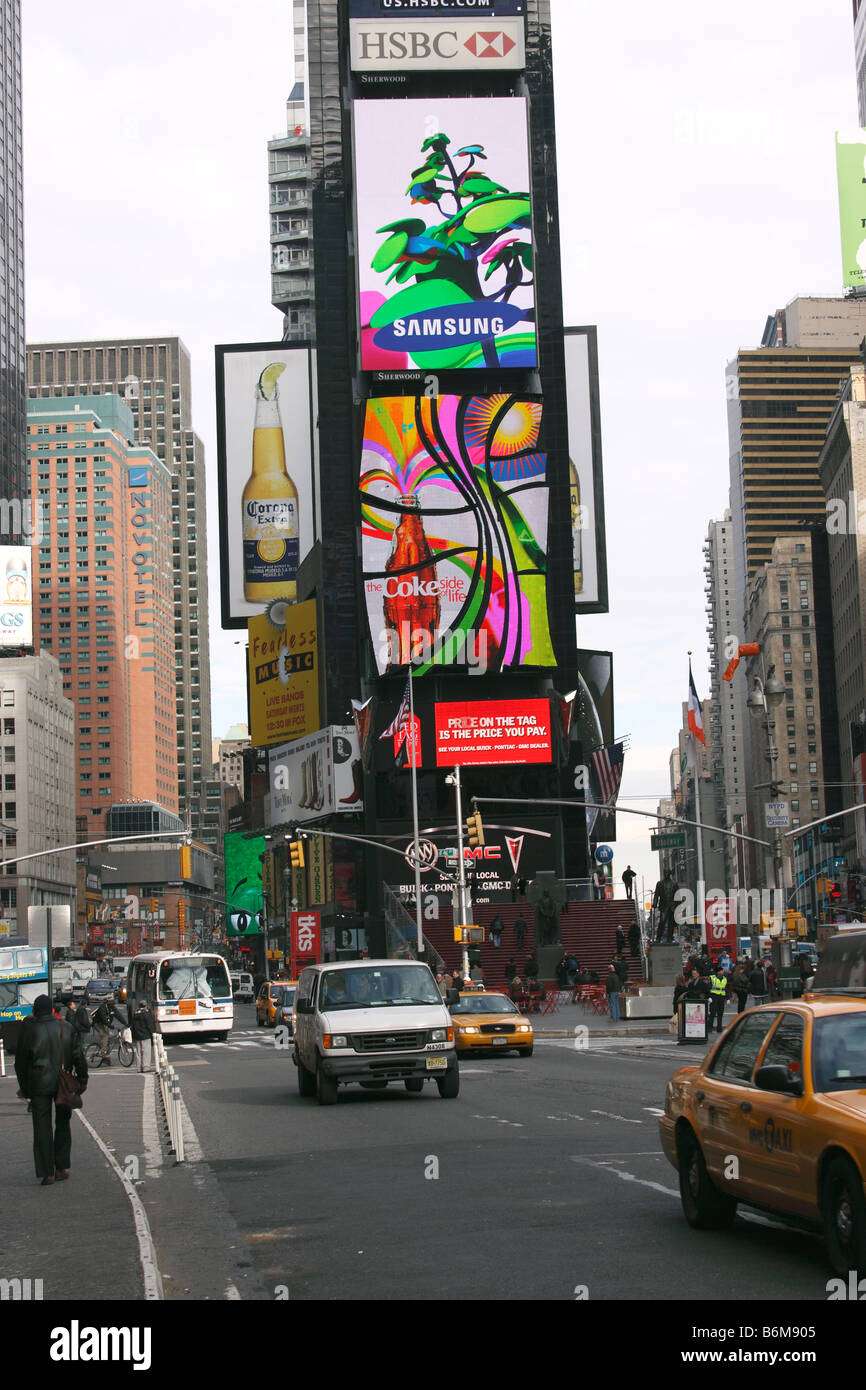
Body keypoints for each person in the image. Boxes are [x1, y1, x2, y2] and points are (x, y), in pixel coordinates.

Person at [15, 994, 88, 1185]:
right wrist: (82, 1080)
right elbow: (78, 1056)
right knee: (63, 1123)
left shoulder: (29, 1030)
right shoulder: (66, 1027)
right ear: (52, 1009)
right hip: (62, 1081)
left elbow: (20, 1063)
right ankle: (61, 1166)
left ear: (36, 1011)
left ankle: (46, 1171)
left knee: (41, 1127)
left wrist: (25, 1088)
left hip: (38, 1083)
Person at [652, 869, 678, 943]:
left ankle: (670, 938)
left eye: (667, 873)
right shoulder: (660, 884)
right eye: (665, 873)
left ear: (669, 874)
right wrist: (655, 903)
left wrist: (678, 906)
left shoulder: (674, 884)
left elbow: (677, 895)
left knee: (671, 923)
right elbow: (656, 895)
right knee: (662, 922)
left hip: (672, 906)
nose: (666, 874)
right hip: (664, 906)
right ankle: (658, 938)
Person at [92, 994, 118, 1064]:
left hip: (105, 1024)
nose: (113, 1005)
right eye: (112, 1004)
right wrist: (110, 1025)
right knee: (105, 1035)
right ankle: (102, 1052)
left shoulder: (112, 1008)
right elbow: (103, 1019)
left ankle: (106, 1057)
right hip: (98, 1024)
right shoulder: (102, 1008)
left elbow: (119, 1015)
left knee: (109, 1038)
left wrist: (126, 1024)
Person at [130, 1001, 155, 1074]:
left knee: (138, 1052)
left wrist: (134, 1035)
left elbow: (132, 1025)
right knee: (146, 1051)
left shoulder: (135, 1013)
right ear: (146, 1006)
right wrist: (152, 1034)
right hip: (146, 1035)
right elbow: (150, 1025)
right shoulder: (146, 1013)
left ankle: (139, 1068)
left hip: (137, 1035)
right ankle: (146, 1067)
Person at [708, 964, 728, 1034]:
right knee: (712, 1013)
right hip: (714, 996)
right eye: (722, 970)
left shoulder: (725, 979)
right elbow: (709, 987)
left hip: (721, 997)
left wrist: (727, 998)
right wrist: (709, 997)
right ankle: (709, 1028)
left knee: (720, 1013)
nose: (723, 971)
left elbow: (726, 988)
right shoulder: (712, 978)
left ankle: (719, 1028)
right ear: (718, 972)